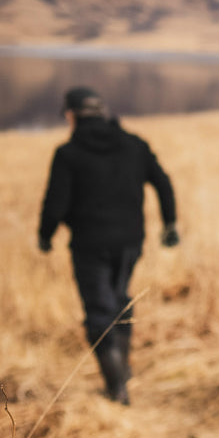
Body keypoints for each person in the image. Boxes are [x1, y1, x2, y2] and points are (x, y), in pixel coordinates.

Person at [38, 87, 179, 405]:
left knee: (99, 312)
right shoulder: (134, 144)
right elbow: (163, 182)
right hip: (131, 240)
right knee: (119, 298)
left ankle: (117, 389)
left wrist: (45, 235)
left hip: (89, 244)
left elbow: (55, 203)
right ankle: (123, 370)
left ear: (71, 115)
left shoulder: (68, 154)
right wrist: (170, 224)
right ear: (103, 112)